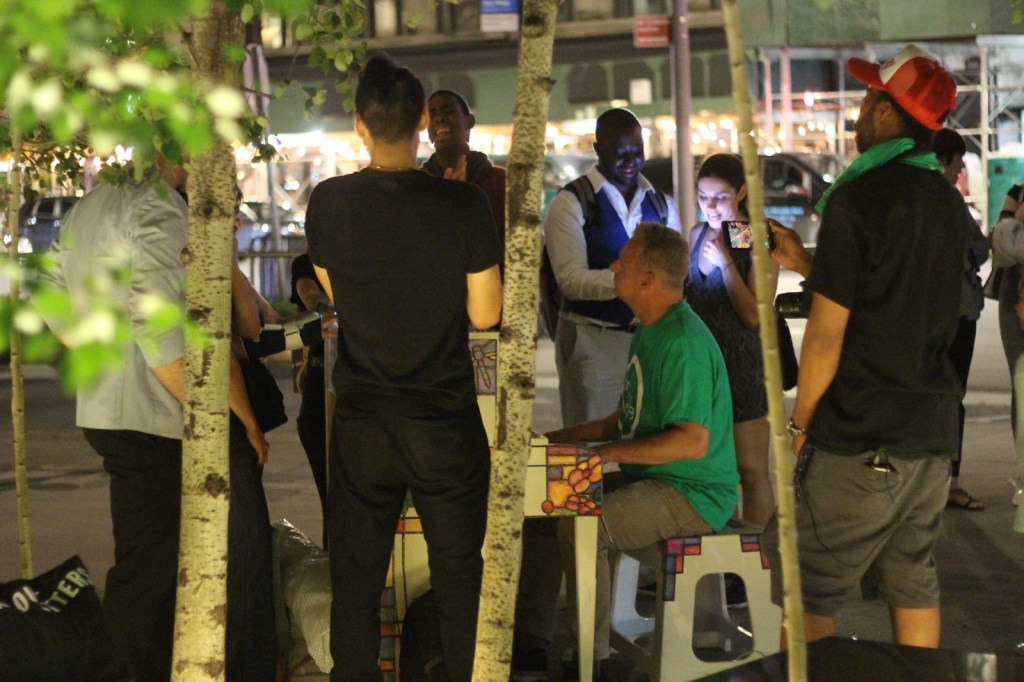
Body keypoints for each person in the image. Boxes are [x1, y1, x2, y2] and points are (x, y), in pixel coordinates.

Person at [304, 54, 502, 682]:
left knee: (356, 582)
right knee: (460, 576)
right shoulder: (463, 204)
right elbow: (486, 313)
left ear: (359, 125)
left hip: (364, 419)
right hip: (443, 417)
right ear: (422, 121)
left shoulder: (328, 202)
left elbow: (335, 292)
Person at [37, 163, 276, 680]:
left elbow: (48, 289)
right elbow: (163, 335)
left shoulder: (93, 203)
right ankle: (120, 670)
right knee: (151, 571)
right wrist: (236, 417)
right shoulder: (160, 210)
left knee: (151, 561)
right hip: (154, 414)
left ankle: (148, 668)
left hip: (108, 407)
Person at [767, 44, 971, 647]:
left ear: (886, 112)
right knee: (913, 583)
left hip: (861, 435)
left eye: (865, 99)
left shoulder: (859, 198)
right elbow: (894, 298)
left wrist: (801, 424)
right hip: (930, 437)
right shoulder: (947, 202)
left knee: (809, 588)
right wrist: (806, 262)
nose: (857, 112)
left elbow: (827, 335)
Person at [536, 222, 738, 677]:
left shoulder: (682, 342)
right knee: (552, 501)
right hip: (660, 480)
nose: (613, 267)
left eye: (622, 263)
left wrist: (607, 453)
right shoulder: (651, 328)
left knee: (586, 524)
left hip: (694, 492)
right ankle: (536, 636)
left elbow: (691, 441)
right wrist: (560, 439)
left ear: (646, 281)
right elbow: (625, 417)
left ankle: (591, 659)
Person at [545, 107, 681, 428]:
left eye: (637, 150)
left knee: (647, 440)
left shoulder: (660, 204)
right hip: (594, 341)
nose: (631, 160)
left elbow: (675, 273)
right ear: (597, 149)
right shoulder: (572, 202)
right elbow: (570, 280)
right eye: (620, 152)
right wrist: (629, 282)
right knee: (591, 443)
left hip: (651, 342)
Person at [686, 153, 779, 528]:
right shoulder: (697, 234)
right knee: (713, 469)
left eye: (720, 197)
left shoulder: (752, 234)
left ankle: (756, 550)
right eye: (702, 196)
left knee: (750, 470)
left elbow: (754, 314)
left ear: (741, 192)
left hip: (741, 369)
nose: (710, 206)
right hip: (702, 367)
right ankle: (725, 550)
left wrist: (726, 264)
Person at [933, 128, 989, 511]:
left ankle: (938, 484)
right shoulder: (943, 199)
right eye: (958, 162)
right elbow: (979, 248)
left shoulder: (924, 197)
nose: (961, 170)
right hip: (952, 312)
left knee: (944, 397)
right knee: (951, 397)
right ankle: (946, 484)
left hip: (941, 312)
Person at [422, 88, 506, 264]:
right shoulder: (417, 185)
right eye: (432, 114)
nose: (439, 118)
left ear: (469, 121)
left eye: (448, 111)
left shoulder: (501, 182)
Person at [290, 252, 334, 539]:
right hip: (322, 391)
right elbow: (310, 295)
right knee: (333, 501)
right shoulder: (308, 262)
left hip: (364, 392)